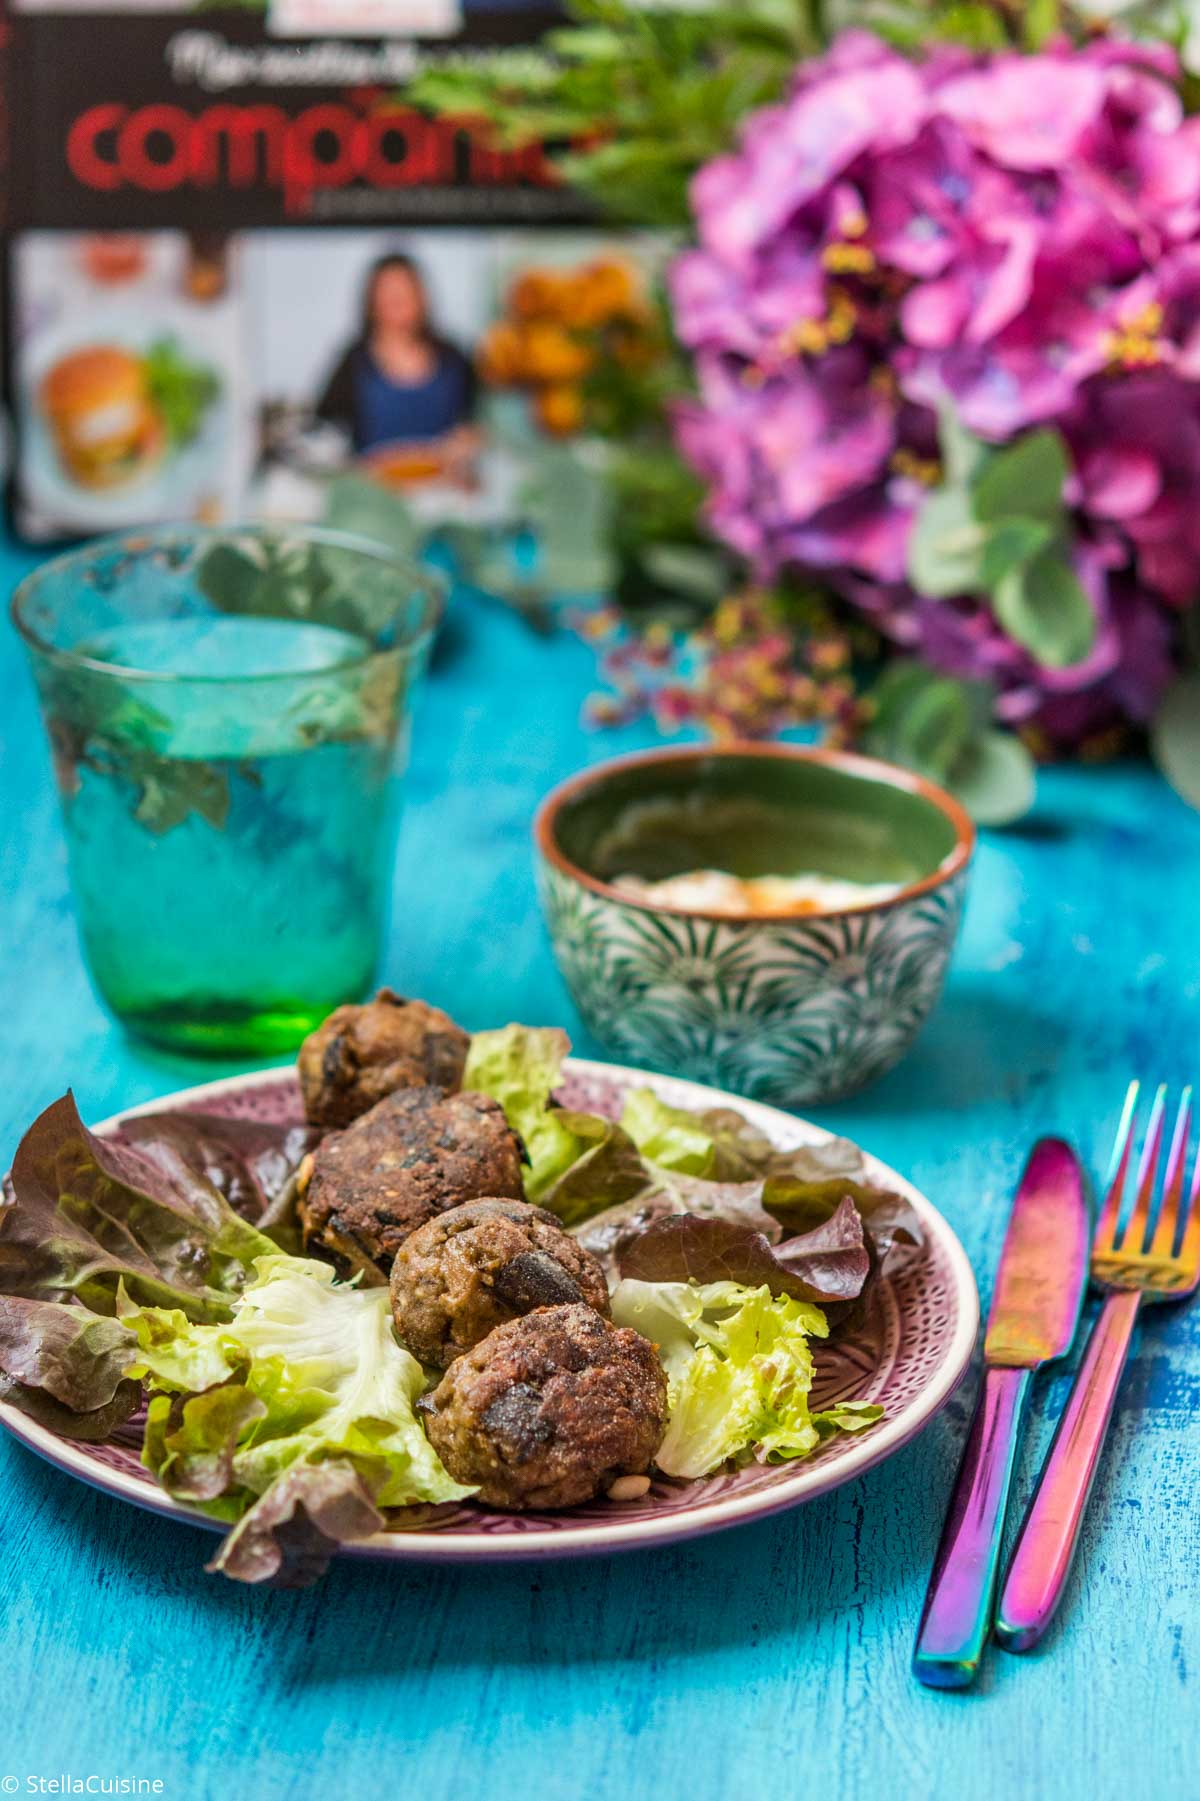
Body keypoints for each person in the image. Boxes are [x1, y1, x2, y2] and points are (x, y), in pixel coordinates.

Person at [316, 252, 481, 484]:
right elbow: (324, 433)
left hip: (445, 493)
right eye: (387, 290)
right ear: (371, 301)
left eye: (405, 288)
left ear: (422, 296)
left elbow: (478, 422)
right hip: (376, 496)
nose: (397, 297)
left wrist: (464, 445)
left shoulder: (453, 356)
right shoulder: (353, 362)